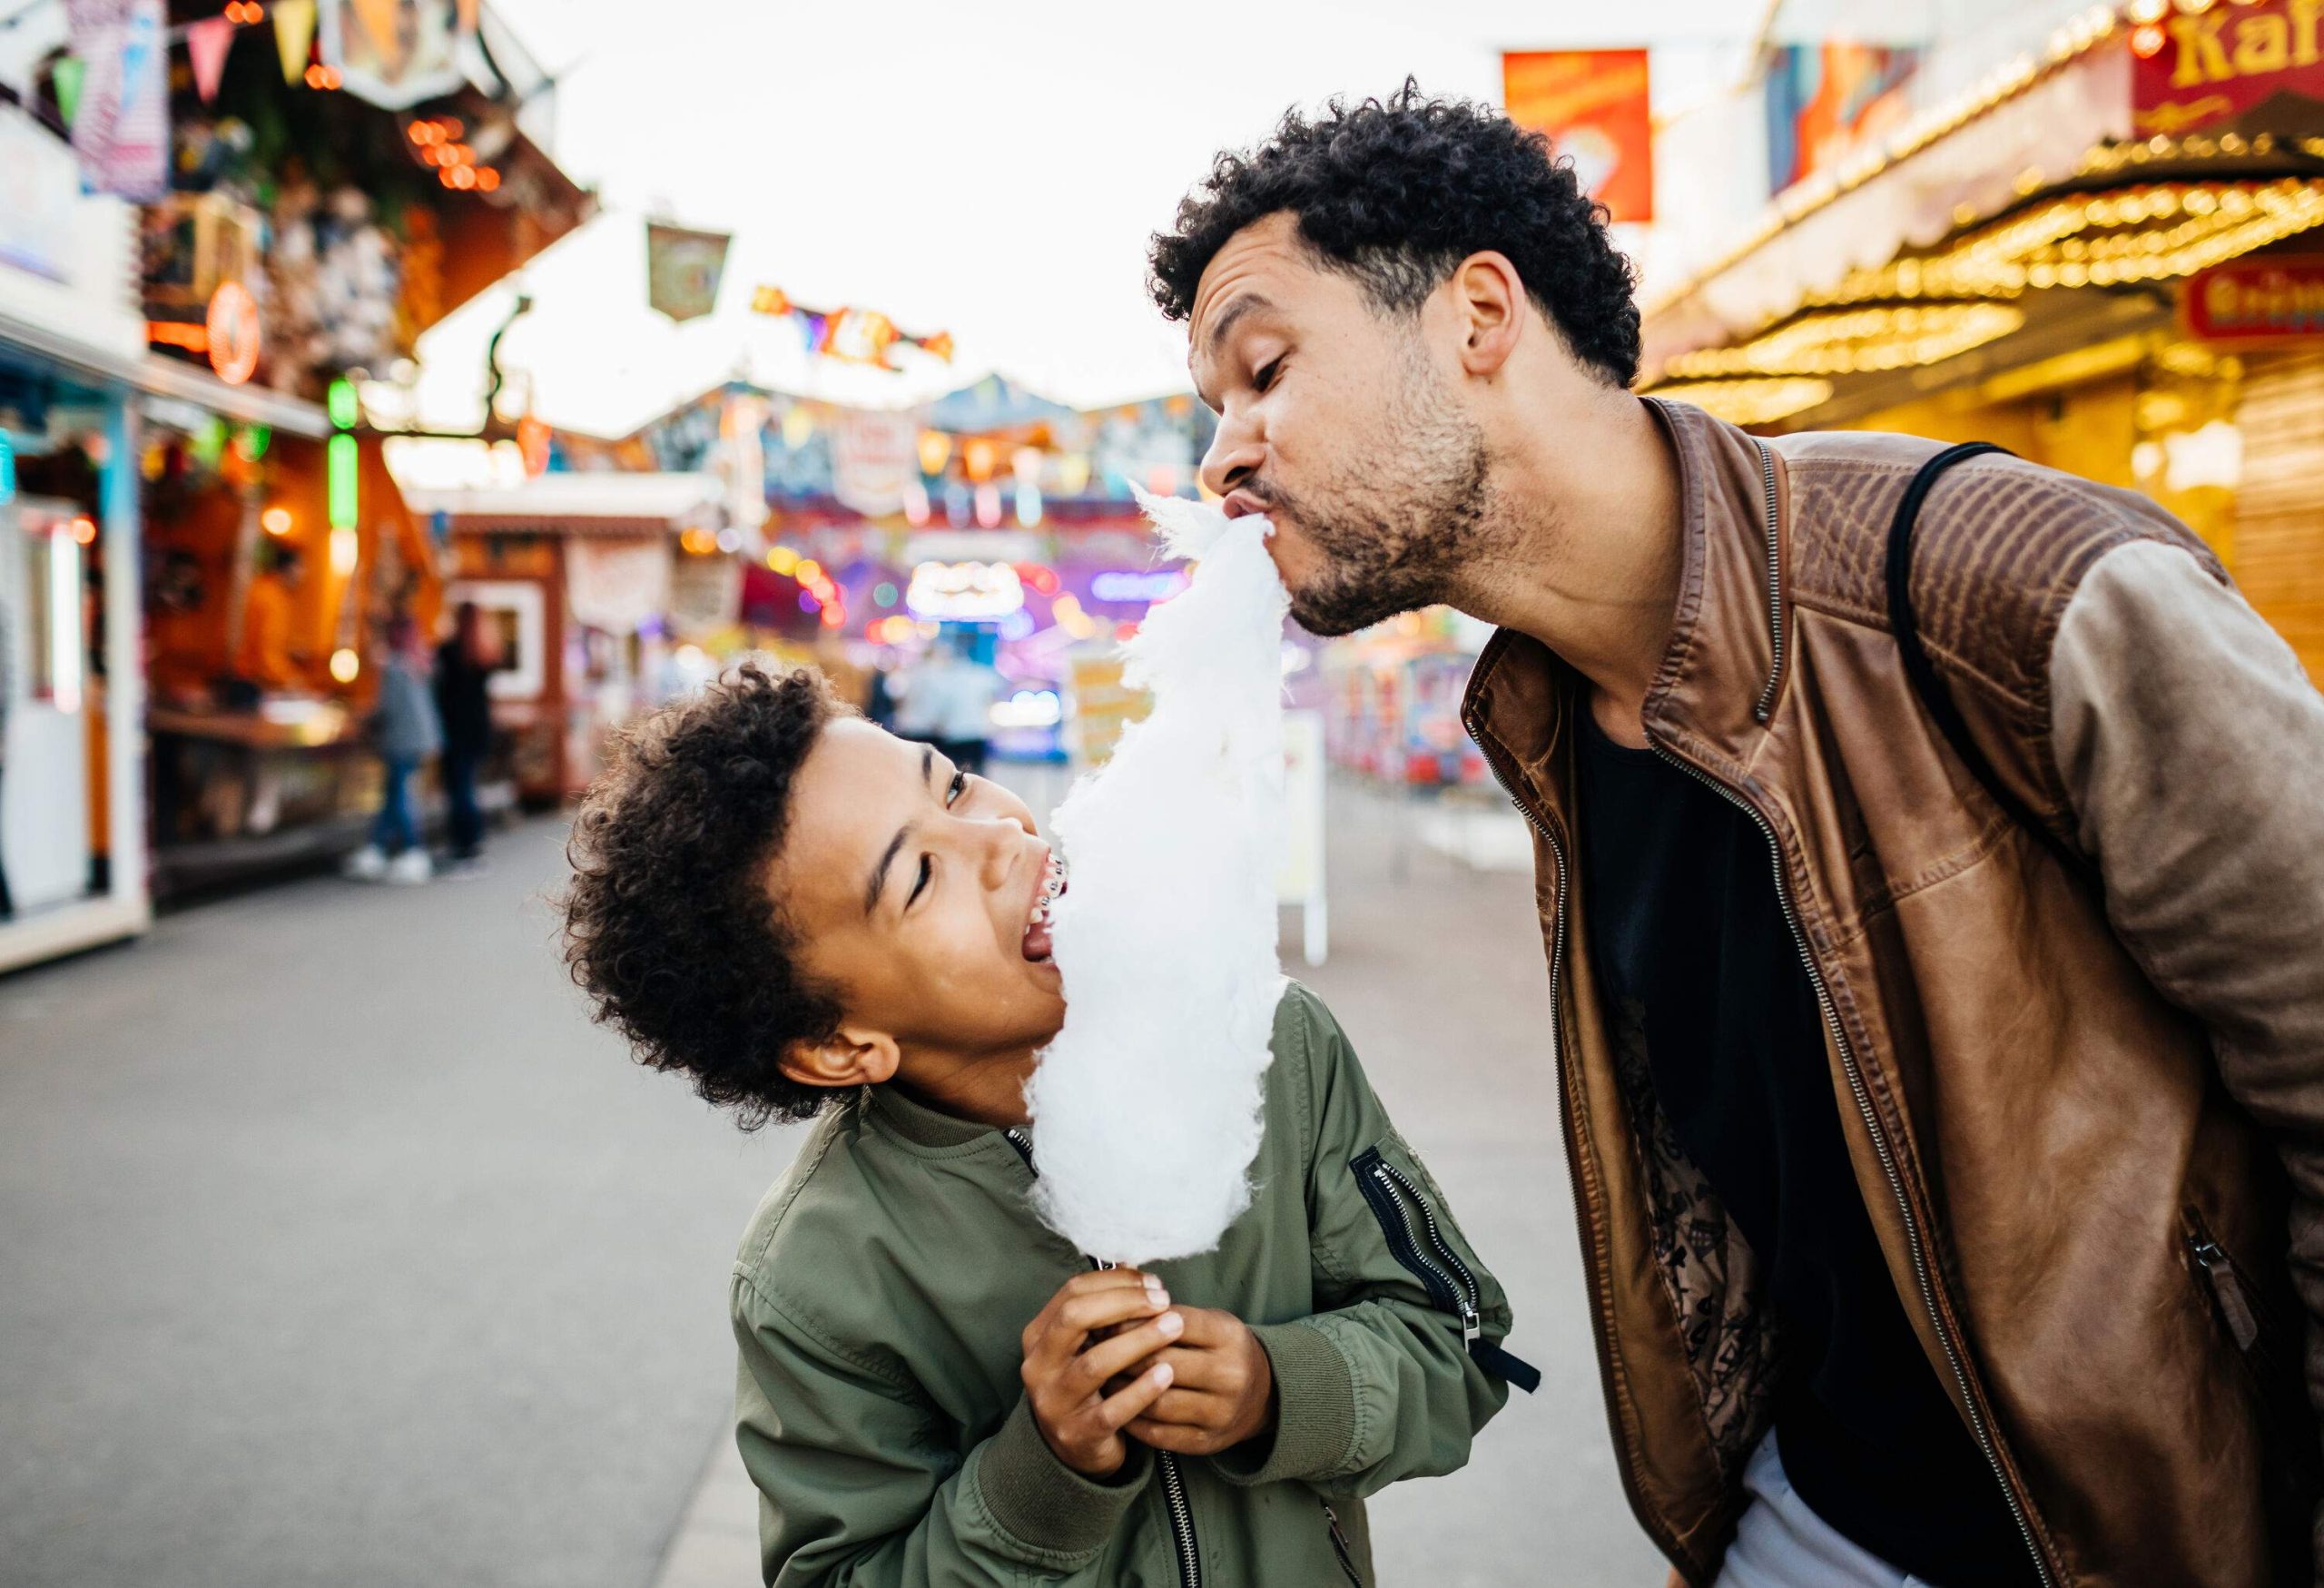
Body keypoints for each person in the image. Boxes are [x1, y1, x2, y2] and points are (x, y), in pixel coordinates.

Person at [1150, 85, 2324, 1588]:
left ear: (1479, 315)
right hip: (1810, 1522)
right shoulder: (1548, 725)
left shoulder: (2002, 583)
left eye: (1262, 370)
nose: (1224, 456)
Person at [557, 666, 1530, 1585]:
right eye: (919, 879)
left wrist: (1280, 1388)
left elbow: (1464, 1343)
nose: (999, 840)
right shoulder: (816, 1279)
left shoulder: (1270, 1046)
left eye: (951, 786)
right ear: (840, 1046)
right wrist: (1040, 1475)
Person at [344, 615, 441, 885]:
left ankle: (412, 847)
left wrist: (363, 720)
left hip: (401, 739)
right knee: (393, 793)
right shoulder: (419, 663)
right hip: (419, 738)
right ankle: (376, 846)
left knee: (399, 794)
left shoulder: (394, 666)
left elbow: (385, 709)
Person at [432, 602, 496, 874]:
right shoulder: (485, 654)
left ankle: (464, 845)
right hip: (478, 728)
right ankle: (471, 841)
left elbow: (440, 692)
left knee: (459, 789)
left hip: (455, 729)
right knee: (468, 787)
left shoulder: (448, 651)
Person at [237, 542, 306, 690]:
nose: (304, 574)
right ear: (288, 568)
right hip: (254, 683)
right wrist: (291, 679)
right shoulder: (272, 599)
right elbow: (268, 651)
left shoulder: (264, 589)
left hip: (250, 678)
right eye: (301, 567)